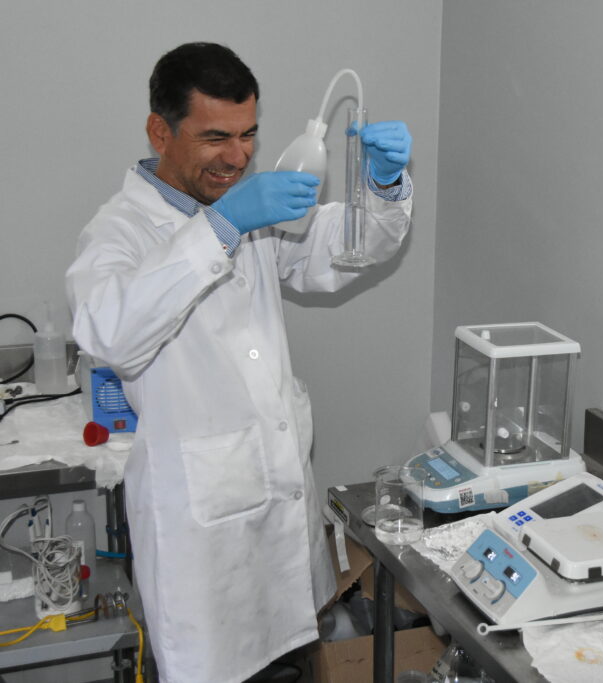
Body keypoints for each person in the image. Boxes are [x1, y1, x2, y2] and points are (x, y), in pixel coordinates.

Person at [65, 42, 413, 683]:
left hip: (281, 527)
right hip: (202, 552)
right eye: (215, 138)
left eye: (249, 134)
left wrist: (384, 186)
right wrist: (220, 228)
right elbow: (108, 332)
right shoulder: (119, 231)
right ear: (160, 132)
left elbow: (346, 249)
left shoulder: (248, 212)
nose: (238, 156)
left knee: (290, 662)